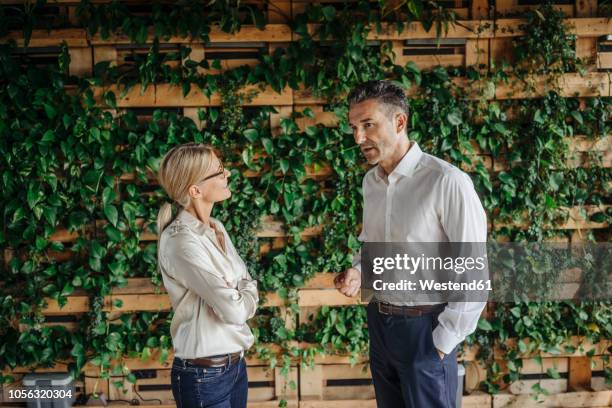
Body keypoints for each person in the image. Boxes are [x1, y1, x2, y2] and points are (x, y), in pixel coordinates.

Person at [335, 80, 487, 408]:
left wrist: (441, 345)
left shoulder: (447, 181)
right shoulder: (371, 183)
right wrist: (360, 271)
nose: (358, 138)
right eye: (354, 127)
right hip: (381, 324)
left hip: (426, 331)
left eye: (368, 125)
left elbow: (473, 272)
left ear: (399, 122)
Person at [156, 143, 259, 408]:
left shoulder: (217, 228)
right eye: (219, 171)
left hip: (235, 367)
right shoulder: (181, 242)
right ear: (195, 190)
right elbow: (235, 310)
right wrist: (243, 294)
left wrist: (240, 293)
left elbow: (247, 284)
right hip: (203, 376)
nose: (228, 174)